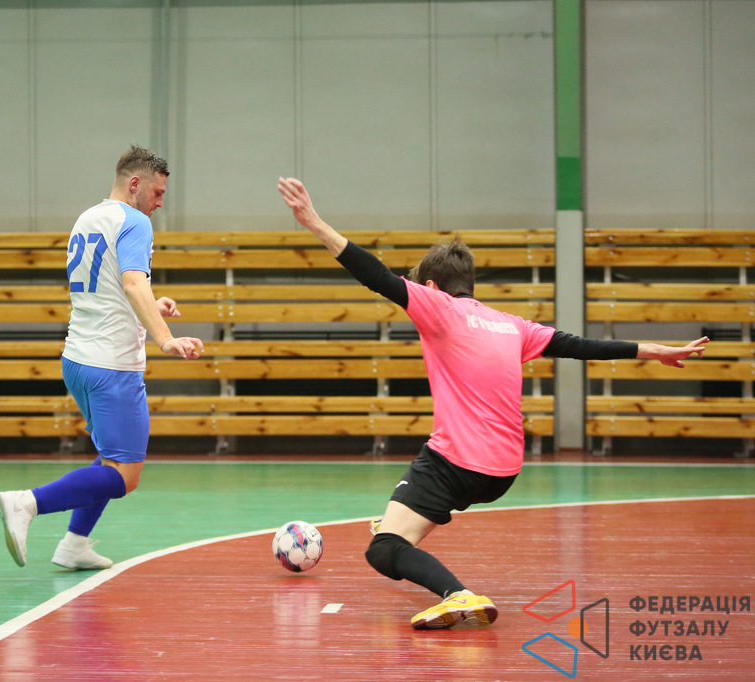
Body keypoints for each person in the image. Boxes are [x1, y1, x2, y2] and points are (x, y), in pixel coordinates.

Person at [277, 176, 708, 630]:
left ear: (431, 285)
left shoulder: (437, 306)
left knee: (384, 550)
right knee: (402, 514)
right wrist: (654, 350)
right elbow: (581, 346)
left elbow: (375, 275)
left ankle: (456, 594)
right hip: (503, 472)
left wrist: (314, 223)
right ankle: (398, 519)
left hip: (456, 463)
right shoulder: (512, 325)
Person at [0, 145, 204, 570]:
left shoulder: (88, 218)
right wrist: (165, 339)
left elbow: (107, 288)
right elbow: (132, 283)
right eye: (158, 193)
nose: (160, 203)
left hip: (77, 359)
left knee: (111, 455)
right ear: (135, 184)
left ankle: (75, 544)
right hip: (112, 365)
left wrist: (151, 306)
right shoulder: (136, 221)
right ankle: (27, 503)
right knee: (125, 476)